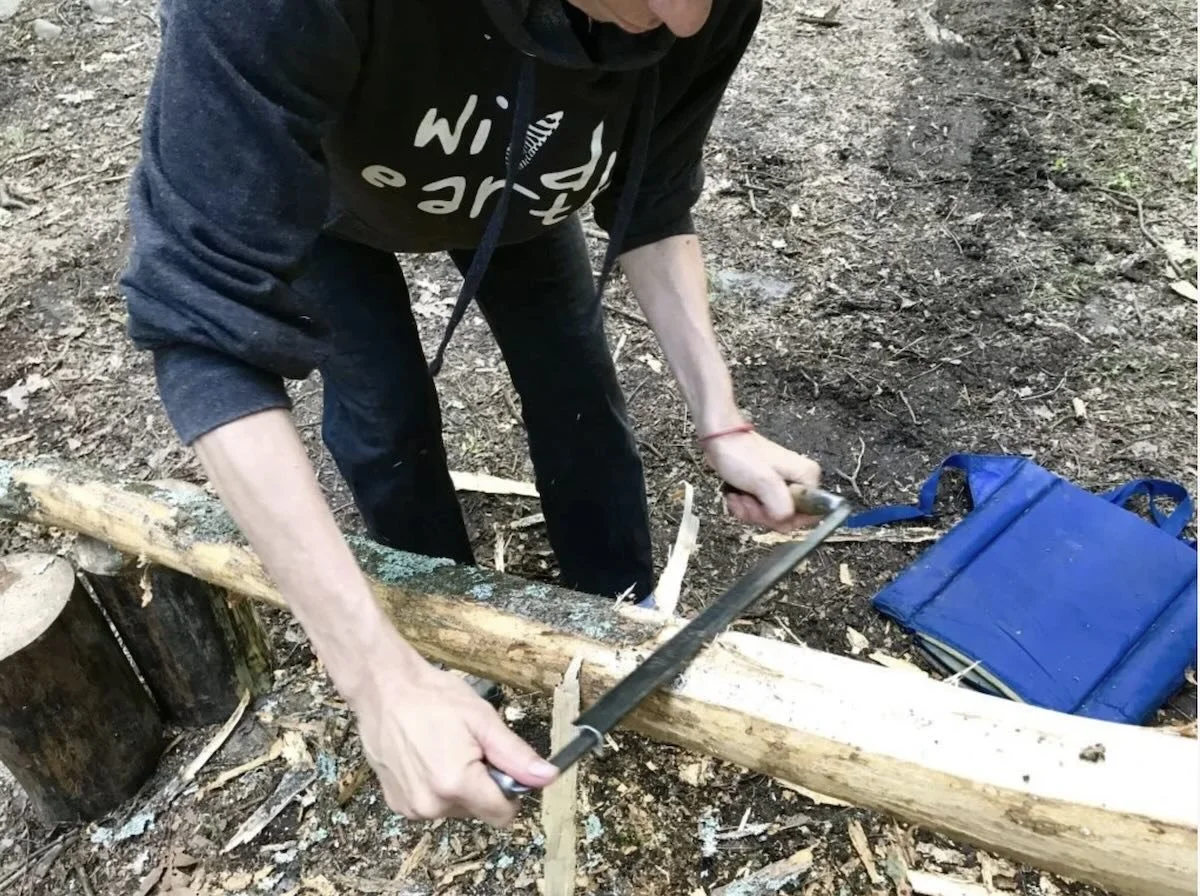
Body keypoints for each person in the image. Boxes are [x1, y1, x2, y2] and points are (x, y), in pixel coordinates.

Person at [118, 0, 824, 828]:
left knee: (577, 386)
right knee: (385, 420)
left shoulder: (697, 11)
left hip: (524, 194)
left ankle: (613, 606)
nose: (682, 17)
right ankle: (442, 645)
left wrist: (722, 419)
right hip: (333, 207)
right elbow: (203, 325)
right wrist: (375, 674)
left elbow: (654, 196)